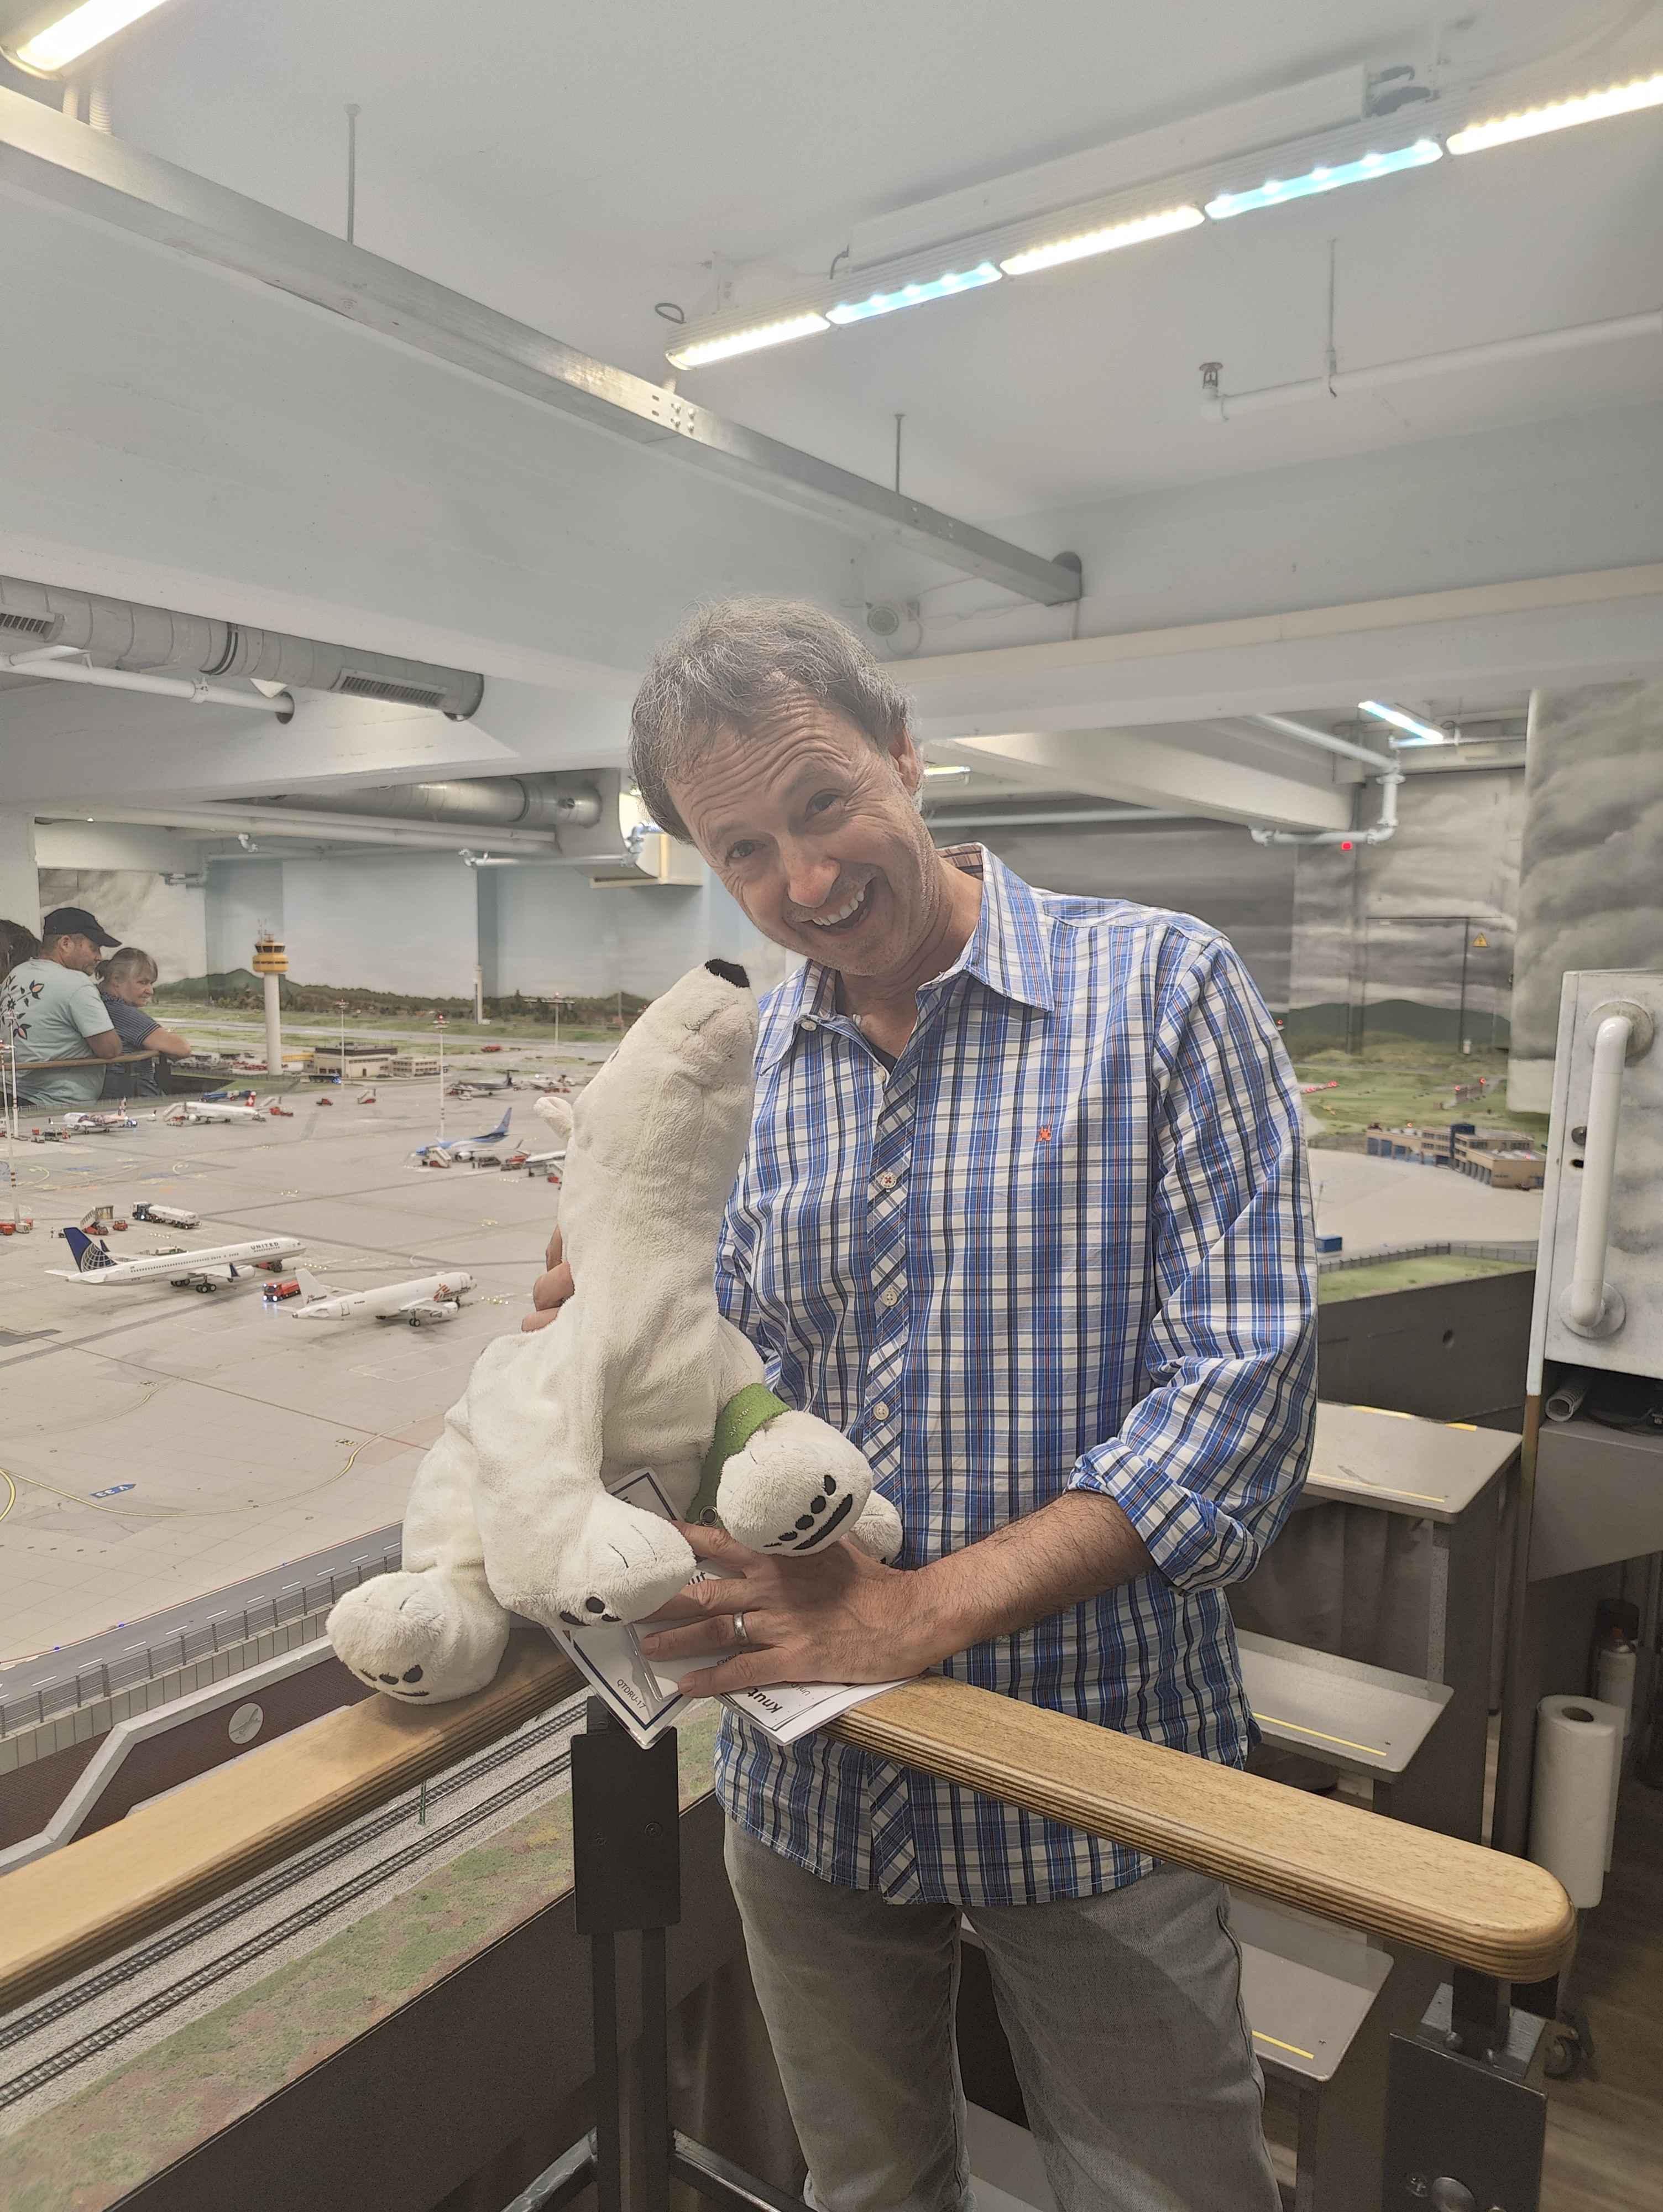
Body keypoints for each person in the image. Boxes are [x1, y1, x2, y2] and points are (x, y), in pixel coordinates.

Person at [526, 600, 1315, 2212]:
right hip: (812, 1781)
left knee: (1168, 2194)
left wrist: (922, 1609)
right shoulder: (738, 1072)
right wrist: (609, 1356)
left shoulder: (1162, 990)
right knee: (866, 2186)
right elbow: (727, 1385)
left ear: (905, 753)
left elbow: (1238, 1399)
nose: (805, 881)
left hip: (1096, 1765)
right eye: (744, 850)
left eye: (822, 802)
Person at [0, 905, 124, 1111]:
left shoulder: (17, 974)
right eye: (94, 948)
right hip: (57, 1106)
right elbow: (110, 1050)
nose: (99, 957)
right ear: (65, 943)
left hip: (10, 1097)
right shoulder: (77, 983)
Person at [96, 947, 192, 1098]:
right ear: (116, 980)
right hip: (136, 1095)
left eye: (151, 983)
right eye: (143, 983)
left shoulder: (99, 1003)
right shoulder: (120, 1012)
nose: (150, 991)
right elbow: (182, 1048)